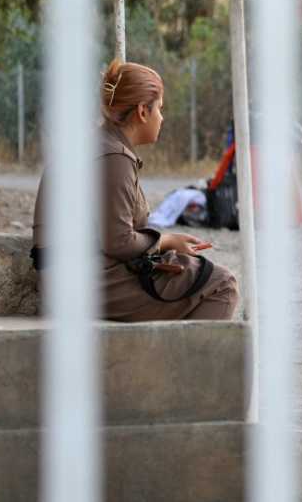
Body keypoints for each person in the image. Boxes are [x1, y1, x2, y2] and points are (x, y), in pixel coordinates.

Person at [32, 59, 240, 321]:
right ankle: (183, 362)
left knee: (196, 273)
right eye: (159, 109)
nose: (162, 118)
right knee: (222, 284)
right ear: (143, 111)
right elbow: (118, 241)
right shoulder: (113, 156)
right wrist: (166, 241)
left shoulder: (97, 144)